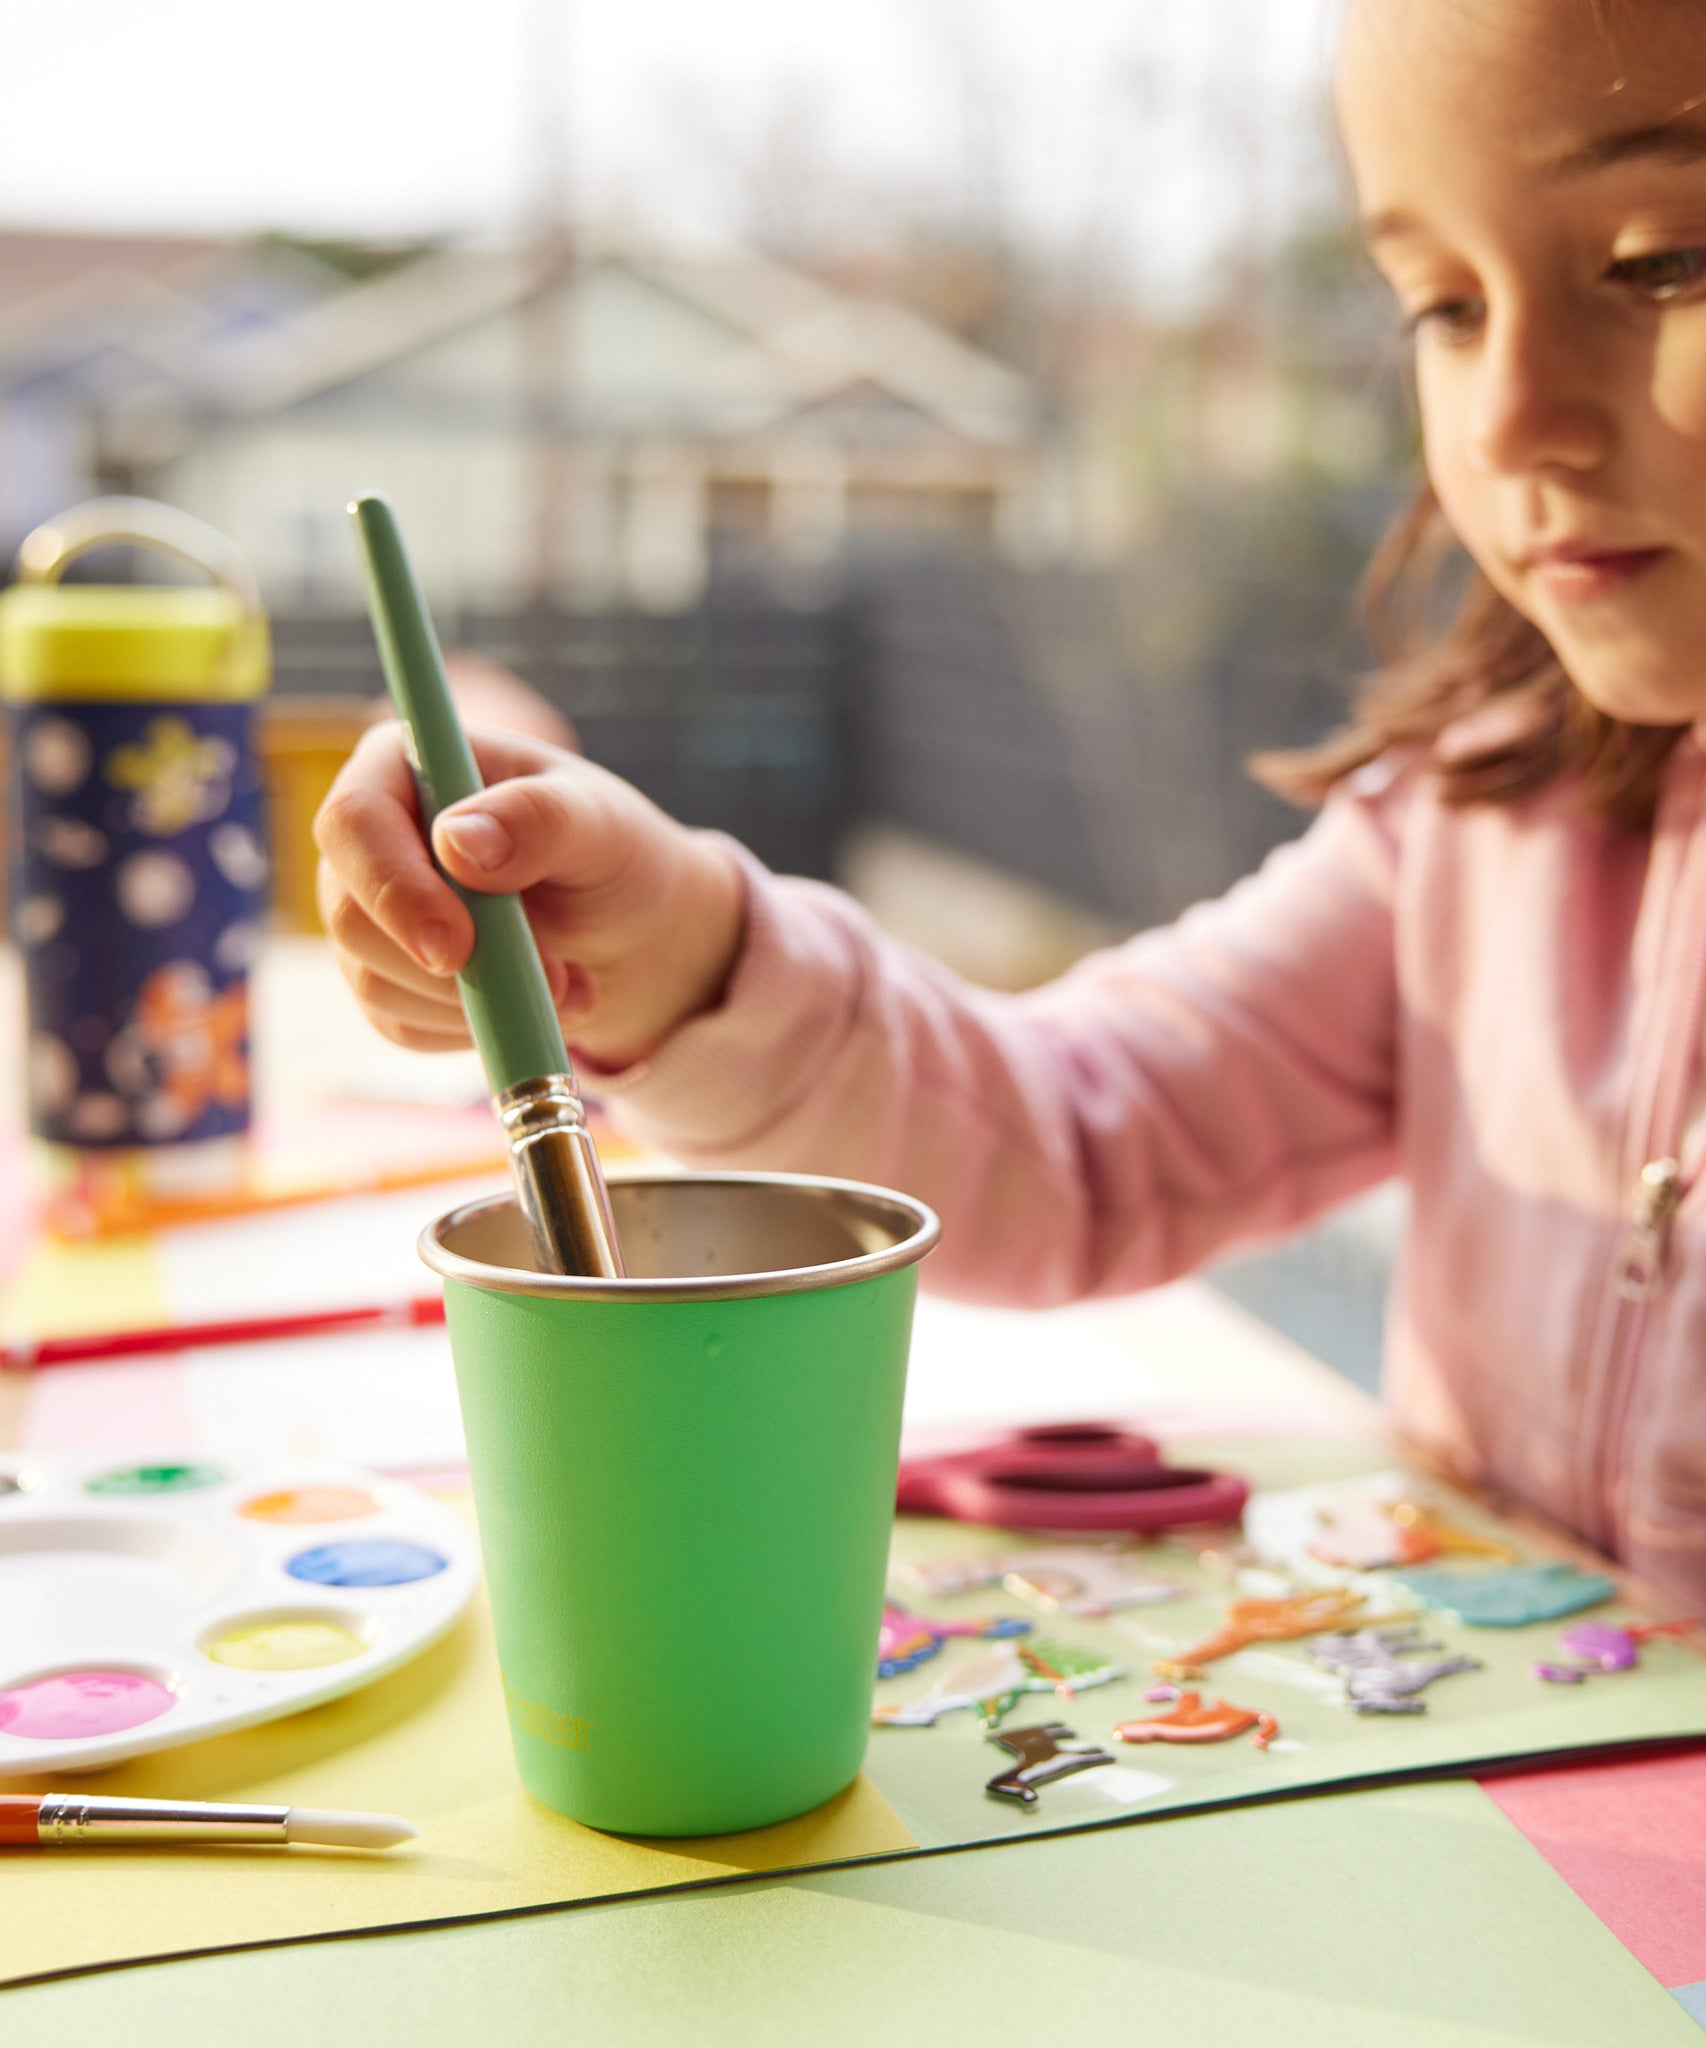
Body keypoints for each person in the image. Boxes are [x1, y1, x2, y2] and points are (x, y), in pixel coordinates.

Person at [315, 0, 1706, 1606]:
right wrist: (682, 942)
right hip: (1517, 1807)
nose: (1506, 414)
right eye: (1442, 306)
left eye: (1665, 260)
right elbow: (1072, 1140)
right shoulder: (1471, 834)